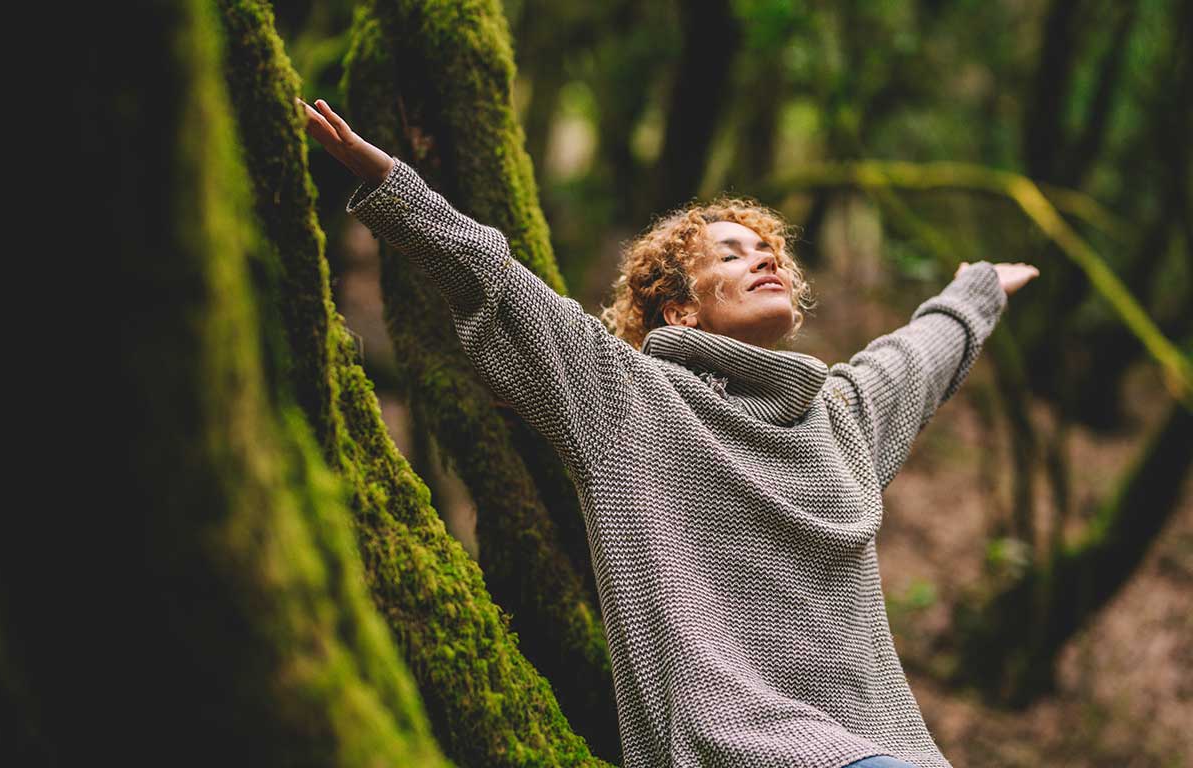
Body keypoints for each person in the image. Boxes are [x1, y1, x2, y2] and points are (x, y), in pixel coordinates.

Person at [301, 97, 1039, 768]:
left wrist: (975, 293)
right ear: (679, 310)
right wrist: (395, 187)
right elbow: (501, 287)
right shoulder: (627, 402)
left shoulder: (838, 419)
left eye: (770, 254)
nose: (763, 259)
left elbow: (912, 359)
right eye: (731, 253)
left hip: (880, 747)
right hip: (737, 747)